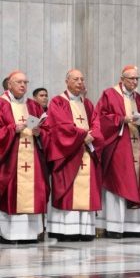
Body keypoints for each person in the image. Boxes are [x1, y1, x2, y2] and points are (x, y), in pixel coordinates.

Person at [45, 69, 103, 241]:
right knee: (70, 189)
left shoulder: (88, 104)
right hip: (69, 155)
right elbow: (61, 126)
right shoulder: (58, 102)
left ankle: (85, 231)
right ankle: (67, 231)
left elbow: (96, 123)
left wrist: (93, 135)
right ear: (67, 81)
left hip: (87, 152)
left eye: (82, 79)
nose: (80, 82)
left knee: (87, 188)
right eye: (76, 79)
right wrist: (83, 135)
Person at [95, 65, 140, 238]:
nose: (135, 82)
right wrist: (121, 120)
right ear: (122, 79)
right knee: (118, 184)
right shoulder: (109, 94)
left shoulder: (139, 99)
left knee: (137, 183)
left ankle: (134, 227)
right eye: (131, 79)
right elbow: (100, 117)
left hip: (136, 147)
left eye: (137, 79)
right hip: (118, 146)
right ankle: (115, 227)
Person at [0, 71, 48, 243]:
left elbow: (47, 129)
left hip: (32, 157)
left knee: (33, 192)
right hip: (10, 159)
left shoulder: (33, 106)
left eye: (25, 83)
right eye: (19, 82)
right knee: (12, 193)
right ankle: (10, 235)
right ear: (9, 84)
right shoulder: (1, 104)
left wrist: (39, 132)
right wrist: (12, 129)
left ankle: (29, 234)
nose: (23, 86)